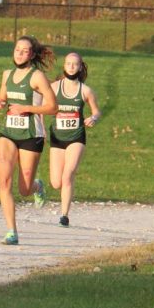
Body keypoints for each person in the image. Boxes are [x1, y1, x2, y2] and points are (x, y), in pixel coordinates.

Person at [0, 36, 58, 245]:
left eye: (25, 51)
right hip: (9, 133)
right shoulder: (7, 75)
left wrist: (27, 108)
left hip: (32, 135)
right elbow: (2, 97)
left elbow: (53, 107)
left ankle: (37, 186)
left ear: (32, 55)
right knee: (5, 181)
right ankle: (12, 231)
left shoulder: (37, 77)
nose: (20, 54)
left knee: (24, 188)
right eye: (17, 50)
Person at [48, 52, 102, 227]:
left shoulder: (85, 90)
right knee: (56, 182)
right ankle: (40, 186)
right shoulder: (54, 87)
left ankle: (64, 215)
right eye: (68, 63)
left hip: (76, 137)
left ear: (80, 67)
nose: (71, 67)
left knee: (68, 175)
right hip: (57, 137)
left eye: (75, 64)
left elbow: (96, 111)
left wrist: (93, 118)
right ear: (64, 66)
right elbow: (41, 105)